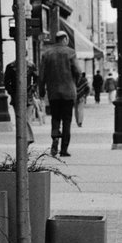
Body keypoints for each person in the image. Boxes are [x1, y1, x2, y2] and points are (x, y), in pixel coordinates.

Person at [38, 29, 84, 157]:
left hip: (53, 93)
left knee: (55, 117)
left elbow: (41, 76)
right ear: (64, 39)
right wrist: (75, 83)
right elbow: (78, 72)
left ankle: (55, 137)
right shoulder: (70, 53)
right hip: (68, 92)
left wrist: (41, 90)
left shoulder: (46, 54)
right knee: (67, 120)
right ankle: (64, 149)